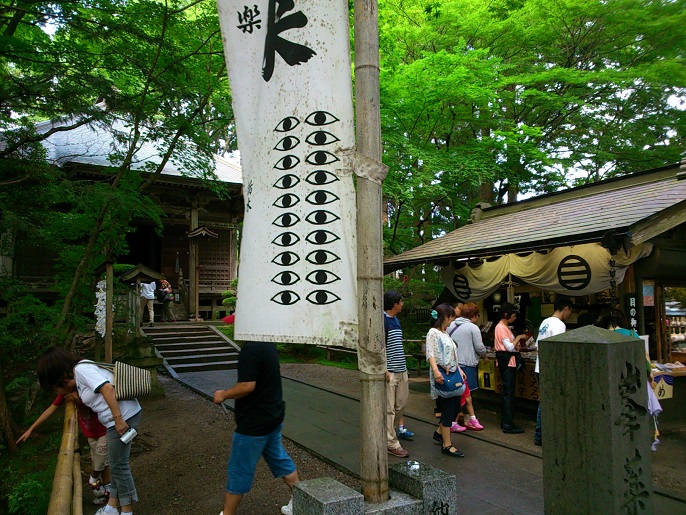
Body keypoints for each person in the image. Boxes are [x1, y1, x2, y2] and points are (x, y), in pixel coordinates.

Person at [37, 347, 142, 515]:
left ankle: (127, 511)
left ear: (58, 378)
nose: (56, 392)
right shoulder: (79, 375)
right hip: (117, 420)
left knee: (120, 467)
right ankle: (112, 508)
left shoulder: (81, 370)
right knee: (116, 466)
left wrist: (118, 419)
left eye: (53, 388)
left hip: (123, 417)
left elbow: (108, 389)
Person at [213, 341, 299, 515]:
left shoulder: (250, 348)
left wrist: (224, 394)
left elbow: (247, 385)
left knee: (239, 468)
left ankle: (228, 513)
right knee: (279, 459)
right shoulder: (267, 343)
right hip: (272, 415)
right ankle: (300, 501)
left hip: (255, 422)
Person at [17, 391, 112, 505]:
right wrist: (31, 429)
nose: (57, 391)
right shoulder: (64, 392)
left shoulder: (83, 387)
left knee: (99, 462)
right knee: (102, 463)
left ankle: (93, 481)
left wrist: (76, 399)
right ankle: (108, 493)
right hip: (91, 433)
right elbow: (50, 410)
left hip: (104, 431)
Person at [426, 303, 466, 458]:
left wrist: (460, 370)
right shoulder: (433, 333)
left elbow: (453, 355)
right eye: (451, 318)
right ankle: (447, 444)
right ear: (446, 317)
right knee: (448, 409)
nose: (451, 321)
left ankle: (439, 433)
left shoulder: (445, 332)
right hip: (443, 374)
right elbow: (430, 353)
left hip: (453, 372)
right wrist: (436, 371)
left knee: (456, 407)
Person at [533, 295, 574, 446]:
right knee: (550, 402)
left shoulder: (545, 322)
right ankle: (544, 435)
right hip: (551, 369)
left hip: (540, 366)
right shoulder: (559, 325)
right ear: (566, 308)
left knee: (544, 401)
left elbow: (538, 346)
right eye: (570, 311)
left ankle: (540, 434)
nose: (569, 315)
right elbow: (559, 349)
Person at [448, 302, 486, 431]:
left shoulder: (451, 325)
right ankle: (464, 420)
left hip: (453, 365)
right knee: (468, 394)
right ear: (474, 316)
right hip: (468, 364)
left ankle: (462, 419)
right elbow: (480, 347)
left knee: (457, 393)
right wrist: (484, 355)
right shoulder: (472, 328)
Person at [383, 290, 413, 458]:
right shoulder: (383, 321)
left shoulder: (396, 320)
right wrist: (384, 369)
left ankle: (386, 433)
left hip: (401, 369)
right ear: (395, 304)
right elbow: (380, 346)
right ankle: (391, 442)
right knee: (389, 409)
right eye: (401, 302)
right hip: (391, 372)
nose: (402, 304)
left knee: (401, 405)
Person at [494, 302, 528, 434]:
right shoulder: (502, 328)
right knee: (509, 393)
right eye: (513, 315)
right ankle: (508, 424)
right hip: (507, 361)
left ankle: (506, 421)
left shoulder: (502, 327)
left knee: (507, 392)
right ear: (506, 315)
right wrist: (519, 337)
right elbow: (509, 347)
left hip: (505, 360)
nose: (514, 318)